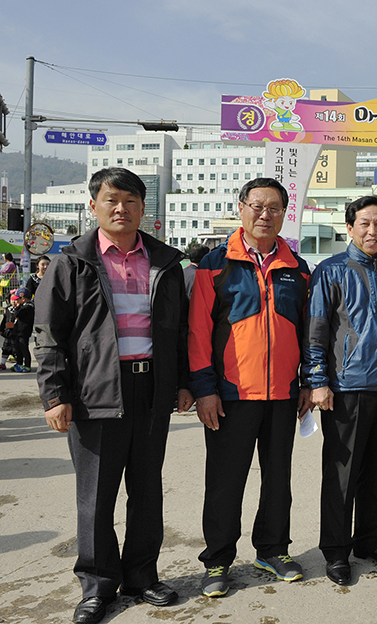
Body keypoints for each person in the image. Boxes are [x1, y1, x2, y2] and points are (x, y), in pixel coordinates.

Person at [34, 167, 192, 624]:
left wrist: (181, 382)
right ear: (93, 206)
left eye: (130, 200)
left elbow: (178, 332)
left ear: (144, 208)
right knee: (96, 494)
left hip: (151, 390)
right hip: (93, 391)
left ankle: (142, 575)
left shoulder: (165, 260)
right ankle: (97, 585)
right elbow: (48, 335)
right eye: (111, 200)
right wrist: (54, 395)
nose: (120, 208)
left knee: (147, 489)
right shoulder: (72, 262)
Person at [189, 178, 311, 597]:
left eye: (274, 207)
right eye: (257, 205)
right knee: (225, 480)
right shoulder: (215, 264)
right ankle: (218, 559)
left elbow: (310, 331)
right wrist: (205, 389)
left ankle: (273, 549)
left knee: (279, 477)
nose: (265, 214)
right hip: (229, 395)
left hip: (282, 394)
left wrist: (307, 385)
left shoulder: (297, 267)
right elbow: (198, 333)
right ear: (241, 207)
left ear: (284, 213)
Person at [300, 195, 377, 586]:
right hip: (345, 388)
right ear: (350, 228)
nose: (372, 230)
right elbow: (316, 331)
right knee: (342, 474)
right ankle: (336, 551)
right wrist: (318, 382)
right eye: (364, 223)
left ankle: (370, 541)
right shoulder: (330, 271)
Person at [9, 287, 35, 372]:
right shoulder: (24, 306)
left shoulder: (28, 307)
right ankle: (19, 363)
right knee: (18, 349)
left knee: (24, 348)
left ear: (23, 299)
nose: (16, 302)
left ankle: (27, 365)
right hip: (18, 331)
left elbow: (17, 314)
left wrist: (17, 307)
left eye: (17, 300)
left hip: (24, 332)